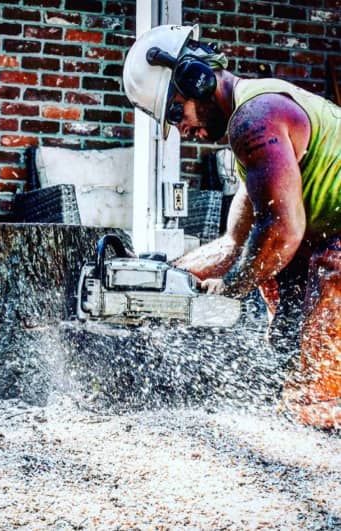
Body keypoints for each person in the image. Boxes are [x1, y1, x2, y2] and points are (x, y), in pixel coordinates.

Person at [123, 24, 341, 429]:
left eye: (176, 112)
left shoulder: (254, 120)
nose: (183, 130)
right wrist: (168, 275)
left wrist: (232, 288)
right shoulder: (252, 130)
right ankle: (305, 386)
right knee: (275, 273)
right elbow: (232, 245)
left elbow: (283, 231)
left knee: (322, 262)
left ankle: (321, 408)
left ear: (196, 79)